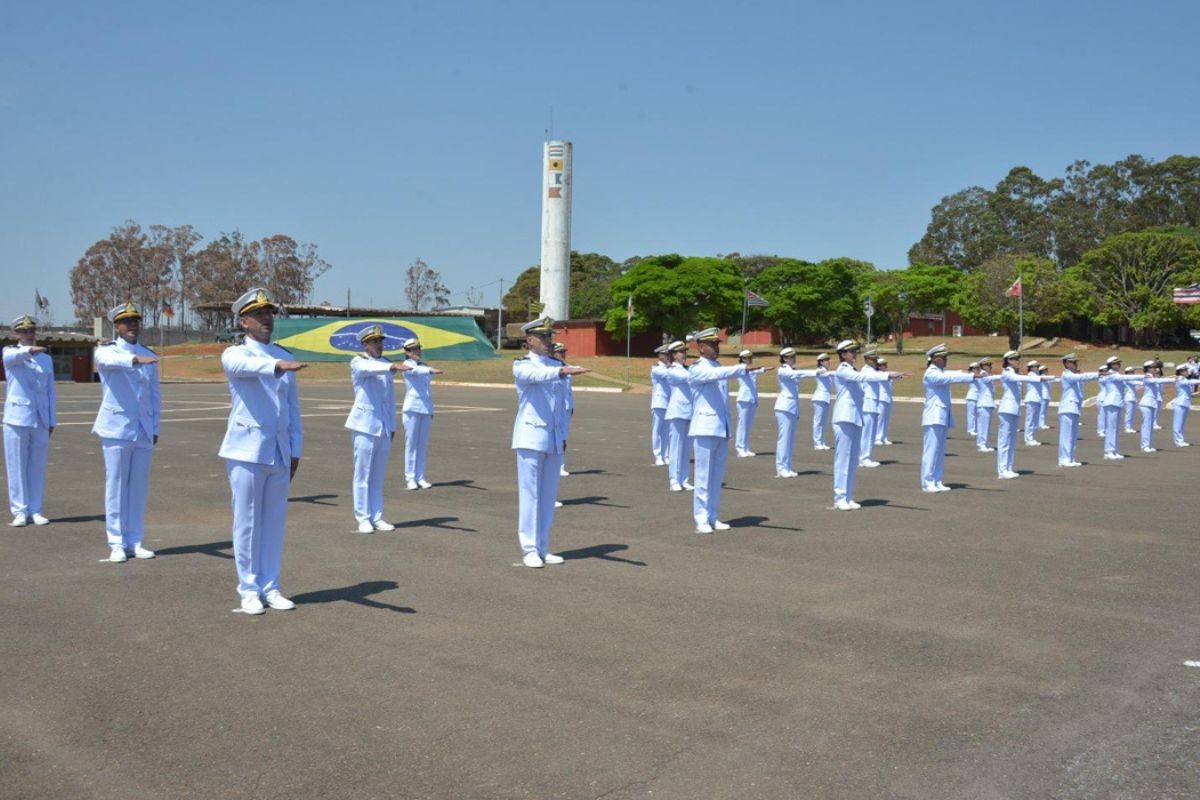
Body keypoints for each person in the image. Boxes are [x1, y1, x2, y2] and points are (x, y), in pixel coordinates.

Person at [219, 288, 306, 614]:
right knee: (247, 522)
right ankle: (249, 589)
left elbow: (292, 409)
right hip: (246, 451)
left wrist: (295, 449)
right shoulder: (235, 354)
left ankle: (271, 586)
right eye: (259, 314)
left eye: (269, 313)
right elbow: (247, 367)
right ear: (244, 321)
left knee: (273, 522)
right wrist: (278, 365)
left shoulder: (283, 353)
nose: (267, 318)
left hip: (279, 452)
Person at [511, 317, 588, 567]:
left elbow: (560, 407)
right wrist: (562, 370)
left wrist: (562, 436)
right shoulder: (522, 365)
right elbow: (537, 375)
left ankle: (543, 546)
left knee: (547, 495)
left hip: (553, 438)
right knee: (530, 495)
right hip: (530, 437)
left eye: (549, 337)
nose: (548, 341)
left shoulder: (555, 364)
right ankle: (529, 548)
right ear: (529, 341)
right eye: (543, 337)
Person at [92, 302, 160, 563]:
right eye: (127, 321)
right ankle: (116, 542)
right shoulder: (107, 351)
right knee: (117, 485)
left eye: (136, 321)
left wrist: (154, 427)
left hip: (142, 429)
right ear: (116, 326)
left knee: (138, 487)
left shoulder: (148, 354)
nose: (133, 325)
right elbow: (107, 361)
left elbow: (154, 395)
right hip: (116, 428)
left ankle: (135, 539)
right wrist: (134, 359)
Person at [687, 328, 766, 533]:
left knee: (716, 476)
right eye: (712, 344)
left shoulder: (717, 366)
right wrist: (741, 368)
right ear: (700, 347)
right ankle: (701, 518)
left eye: (717, 344)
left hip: (720, 428)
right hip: (704, 428)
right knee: (703, 477)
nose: (716, 347)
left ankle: (713, 515)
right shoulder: (697, 368)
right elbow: (716, 374)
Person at [344, 325, 410, 533]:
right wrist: (391, 368)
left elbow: (389, 400)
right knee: (362, 474)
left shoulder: (386, 364)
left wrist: (391, 426)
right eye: (374, 342)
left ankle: (377, 515)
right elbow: (367, 370)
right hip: (364, 426)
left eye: (380, 341)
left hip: (382, 426)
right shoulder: (358, 361)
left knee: (378, 475)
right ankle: (362, 517)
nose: (379, 345)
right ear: (365, 344)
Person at [830, 340, 906, 510]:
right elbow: (863, 376)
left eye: (855, 351)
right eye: (851, 352)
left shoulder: (852, 369)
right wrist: (887, 375)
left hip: (855, 417)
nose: (854, 354)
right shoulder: (843, 370)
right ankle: (839, 497)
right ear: (842, 354)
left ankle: (848, 496)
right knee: (843, 459)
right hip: (844, 417)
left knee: (852, 460)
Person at [3, 314, 56, 527]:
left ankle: (36, 509)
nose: (28, 335)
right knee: (16, 465)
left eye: (31, 331)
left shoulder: (46, 358)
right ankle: (19, 510)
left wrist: (52, 419)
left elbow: (50, 391)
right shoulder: (11, 352)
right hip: (17, 418)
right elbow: (13, 358)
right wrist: (31, 350)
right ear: (16, 333)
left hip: (40, 418)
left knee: (37, 465)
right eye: (23, 331)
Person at [920, 344, 975, 492]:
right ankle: (927, 482)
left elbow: (951, 373)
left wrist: (965, 372)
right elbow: (949, 377)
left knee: (939, 450)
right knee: (931, 450)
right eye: (944, 357)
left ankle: (937, 480)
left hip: (941, 416)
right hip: (933, 417)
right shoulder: (931, 373)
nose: (946, 360)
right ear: (936, 359)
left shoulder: (940, 371)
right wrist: (970, 376)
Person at [402, 337, 443, 490]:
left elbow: (427, 390)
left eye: (418, 348)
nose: (417, 351)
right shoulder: (406, 365)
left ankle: (420, 476)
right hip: (412, 408)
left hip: (425, 408)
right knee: (411, 444)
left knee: (422, 444)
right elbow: (417, 370)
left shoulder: (424, 365)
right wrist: (431, 370)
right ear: (407, 352)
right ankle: (410, 478)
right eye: (413, 349)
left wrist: (430, 409)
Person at [995, 351, 1043, 479]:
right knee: (1004, 440)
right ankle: (1002, 470)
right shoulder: (1007, 373)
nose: (1018, 361)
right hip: (1006, 409)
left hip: (1014, 409)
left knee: (1011, 441)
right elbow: (1018, 379)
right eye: (1015, 359)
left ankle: (1008, 468)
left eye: (1018, 358)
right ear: (1008, 360)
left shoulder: (1015, 373)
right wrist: (1038, 378)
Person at [773, 347, 816, 476]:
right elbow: (796, 375)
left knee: (790, 439)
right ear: (785, 358)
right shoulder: (783, 370)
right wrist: (815, 373)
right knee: (784, 438)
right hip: (784, 407)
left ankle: (787, 466)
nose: (794, 358)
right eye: (791, 357)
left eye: (794, 356)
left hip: (792, 407)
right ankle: (781, 468)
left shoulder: (792, 370)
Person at [1056, 353, 1100, 467]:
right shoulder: (1067, 375)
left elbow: (1081, 384)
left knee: (1073, 435)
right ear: (1066, 363)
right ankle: (1064, 459)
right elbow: (1083, 377)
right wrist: (1099, 374)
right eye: (1073, 362)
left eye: (1076, 362)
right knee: (1066, 435)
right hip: (1067, 408)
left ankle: (1070, 458)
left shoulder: (1074, 376)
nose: (1076, 364)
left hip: (1074, 408)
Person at [663, 340, 694, 492]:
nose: (684, 355)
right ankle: (674, 479)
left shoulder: (686, 369)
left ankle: (684, 479)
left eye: (685, 352)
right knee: (676, 447)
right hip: (677, 411)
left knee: (686, 448)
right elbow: (687, 378)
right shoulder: (673, 370)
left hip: (689, 411)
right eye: (681, 352)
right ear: (674, 355)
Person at [1098, 356, 1139, 459]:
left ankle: (1113, 451)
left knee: (1115, 428)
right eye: (1117, 363)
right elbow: (1125, 378)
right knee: (1111, 428)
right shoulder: (1112, 374)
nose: (1119, 365)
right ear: (1111, 365)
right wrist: (1143, 376)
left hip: (1116, 403)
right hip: (1112, 403)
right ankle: (1109, 451)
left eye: (1119, 363)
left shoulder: (1114, 374)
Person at [1137, 360, 1176, 453]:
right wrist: (1173, 379)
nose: (1156, 369)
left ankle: (1148, 445)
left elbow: (1159, 379)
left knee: (1149, 426)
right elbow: (1158, 380)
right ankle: (1145, 446)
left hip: (1150, 403)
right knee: (1146, 425)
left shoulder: (1153, 376)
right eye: (1154, 367)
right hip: (1146, 404)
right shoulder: (1147, 377)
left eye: (1156, 367)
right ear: (1148, 369)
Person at [858, 347, 884, 469]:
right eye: (873, 360)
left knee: (870, 433)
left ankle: (865, 457)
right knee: (867, 433)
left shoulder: (871, 371)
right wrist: (890, 375)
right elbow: (877, 376)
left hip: (872, 406)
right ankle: (864, 458)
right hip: (868, 406)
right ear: (867, 360)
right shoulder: (866, 371)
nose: (875, 362)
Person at [552, 342, 576, 477]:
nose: (563, 354)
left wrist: (571, 406)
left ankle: (561, 465)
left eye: (564, 352)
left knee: (563, 439)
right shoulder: (550, 368)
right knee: (556, 438)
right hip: (556, 408)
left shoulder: (566, 367)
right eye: (560, 352)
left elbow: (568, 390)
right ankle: (555, 466)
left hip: (566, 407)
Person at [733, 350, 761, 457]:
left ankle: (746, 447)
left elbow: (757, 372)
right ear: (742, 359)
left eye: (750, 357)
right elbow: (750, 371)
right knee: (742, 424)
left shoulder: (752, 369)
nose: (750, 359)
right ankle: (740, 448)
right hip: (743, 399)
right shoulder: (740, 368)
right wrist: (760, 369)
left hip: (752, 399)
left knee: (748, 425)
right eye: (747, 358)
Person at [649, 344, 672, 465]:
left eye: (669, 354)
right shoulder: (656, 368)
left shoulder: (669, 368)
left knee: (666, 430)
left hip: (669, 402)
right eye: (666, 354)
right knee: (657, 429)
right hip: (659, 402)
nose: (668, 356)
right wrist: (673, 367)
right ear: (660, 356)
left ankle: (666, 454)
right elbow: (668, 375)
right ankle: (658, 455)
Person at [973, 359, 999, 452]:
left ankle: (983, 443)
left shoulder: (986, 374)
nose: (990, 366)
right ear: (983, 366)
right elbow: (988, 380)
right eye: (988, 364)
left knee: (985, 425)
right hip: (984, 403)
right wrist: (1003, 376)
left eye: (990, 364)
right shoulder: (983, 374)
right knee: (983, 425)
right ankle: (982, 444)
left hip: (987, 403)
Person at [1171, 364, 1200, 446]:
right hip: (1180, 404)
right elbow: (1190, 382)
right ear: (1181, 372)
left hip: (1184, 404)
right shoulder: (1180, 379)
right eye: (1186, 370)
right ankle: (1178, 441)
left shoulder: (1184, 379)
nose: (1188, 372)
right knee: (1178, 424)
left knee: (1181, 424)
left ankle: (1180, 440)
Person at [810, 353, 834, 450]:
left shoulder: (827, 371)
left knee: (823, 422)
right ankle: (817, 443)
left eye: (828, 360)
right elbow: (826, 374)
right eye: (826, 360)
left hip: (825, 398)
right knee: (818, 421)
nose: (828, 362)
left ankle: (822, 442)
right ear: (821, 362)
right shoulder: (820, 370)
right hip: (819, 398)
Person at [874, 356, 895, 446]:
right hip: (881, 398)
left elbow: (893, 375)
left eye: (885, 364)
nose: (885, 366)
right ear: (878, 366)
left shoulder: (887, 373)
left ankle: (884, 437)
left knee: (886, 419)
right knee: (880, 419)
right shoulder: (877, 374)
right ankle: (877, 437)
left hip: (888, 398)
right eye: (883, 365)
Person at [1022, 361, 1043, 446]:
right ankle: (1028, 439)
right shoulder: (1031, 375)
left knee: (1035, 421)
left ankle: (1032, 438)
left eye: (1038, 366)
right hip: (1031, 399)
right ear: (1031, 368)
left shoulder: (1036, 375)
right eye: (1036, 366)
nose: (1038, 368)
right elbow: (1042, 379)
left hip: (1036, 399)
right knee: (1030, 420)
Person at [1121, 366, 1139, 433]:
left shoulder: (1131, 379)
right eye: (1132, 372)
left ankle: (1130, 427)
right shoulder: (1127, 379)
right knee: (1129, 413)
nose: (1133, 373)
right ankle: (1127, 427)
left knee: (1132, 413)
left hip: (1132, 397)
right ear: (1128, 373)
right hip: (1129, 398)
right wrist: (1143, 382)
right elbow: (1134, 382)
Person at [965, 362, 980, 437]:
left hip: (979, 397)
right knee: (971, 414)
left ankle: (977, 429)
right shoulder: (970, 375)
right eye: (976, 368)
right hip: (971, 397)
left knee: (979, 414)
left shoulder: (979, 375)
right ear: (972, 369)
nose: (978, 369)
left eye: (978, 368)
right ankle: (971, 429)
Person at [1038, 365, 1054, 430]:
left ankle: (1041, 423)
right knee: (1042, 411)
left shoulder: (1047, 377)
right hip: (1043, 396)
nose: (1047, 371)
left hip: (1046, 396)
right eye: (1046, 370)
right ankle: (1041, 424)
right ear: (1043, 371)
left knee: (1044, 411)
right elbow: (1050, 378)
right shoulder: (1042, 377)